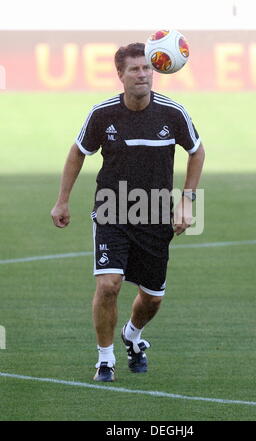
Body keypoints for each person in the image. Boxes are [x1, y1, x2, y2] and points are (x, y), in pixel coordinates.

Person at [51, 42, 205, 382]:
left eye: (147, 68)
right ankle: (105, 360)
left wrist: (187, 201)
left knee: (152, 299)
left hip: (154, 215)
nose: (142, 74)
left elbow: (196, 151)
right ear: (120, 75)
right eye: (134, 69)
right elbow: (78, 152)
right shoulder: (102, 114)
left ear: (156, 71)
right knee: (109, 284)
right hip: (111, 211)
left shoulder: (173, 114)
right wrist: (62, 200)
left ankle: (132, 336)